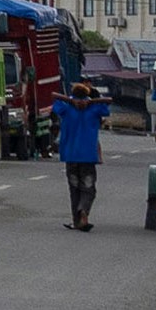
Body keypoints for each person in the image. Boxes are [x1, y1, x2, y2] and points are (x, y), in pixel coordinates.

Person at [51, 83, 109, 231]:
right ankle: (83, 212)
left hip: (70, 155)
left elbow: (55, 103)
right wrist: (90, 101)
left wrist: (71, 100)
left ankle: (77, 220)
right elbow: (106, 106)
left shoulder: (66, 108)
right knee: (88, 188)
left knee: (74, 188)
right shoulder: (95, 109)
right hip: (88, 156)